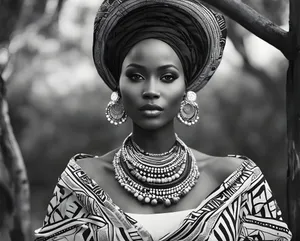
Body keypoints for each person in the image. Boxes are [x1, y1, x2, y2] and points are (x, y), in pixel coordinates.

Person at [35, 0, 292, 240]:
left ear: (185, 88)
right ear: (118, 87)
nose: (151, 90)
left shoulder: (239, 183)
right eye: (136, 76)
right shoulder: (81, 182)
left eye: (167, 77)